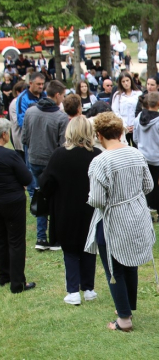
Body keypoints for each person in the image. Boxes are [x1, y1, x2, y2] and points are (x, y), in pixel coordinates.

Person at [84, 112, 156, 333]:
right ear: (120, 131)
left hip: (113, 218)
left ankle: (124, 319)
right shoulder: (136, 153)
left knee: (114, 268)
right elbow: (149, 186)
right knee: (130, 262)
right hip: (136, 214)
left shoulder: (100, 161)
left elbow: (97, 199)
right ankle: (126, 307)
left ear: (99, 135)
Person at [39, 116, 101, 305]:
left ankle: (73, 291)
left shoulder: (59, 155)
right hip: (91, 208)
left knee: (71, 250)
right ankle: (89, 288)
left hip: (66, 208)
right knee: (89, 247)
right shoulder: (96, 154)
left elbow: (45, 183)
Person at [21, 80, 68, 251]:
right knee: (55, 198)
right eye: (62, 96)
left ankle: (41, 237)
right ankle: (54, 238)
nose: (63, 100)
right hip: (52, 163)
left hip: (34, 160)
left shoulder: (30, 112)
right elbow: (63, 145)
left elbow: (24, 138)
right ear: (57, 95)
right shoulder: (61, 117)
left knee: (39, 196)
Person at [0, 118, 35, 294]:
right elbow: (27, 178)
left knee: (1, 239)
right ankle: (17, 282)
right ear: (4, 135)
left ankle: (3, 275)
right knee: (16, 241)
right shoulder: (9, 155)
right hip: (12, 201)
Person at [133, 92, 159, 223]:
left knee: (146, 185)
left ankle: (149, 209)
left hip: (143, 157)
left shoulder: (138, 118)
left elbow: (135, 138)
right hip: (158, 158)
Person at [111, 72, 142, 147]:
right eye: (123, 81)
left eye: (127, 80)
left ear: (131, 80)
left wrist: (135, 125)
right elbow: (116, 112)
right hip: (123, 128)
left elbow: (141, 110)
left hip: (136, 126)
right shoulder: (117, 95)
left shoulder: (138, 94)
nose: (126, 83)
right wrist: (125, 125)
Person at [8, 81, 28, 160]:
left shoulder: (24, 102)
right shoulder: (15, 103)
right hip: (19, 138)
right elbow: (18, 122)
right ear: (17, 92)